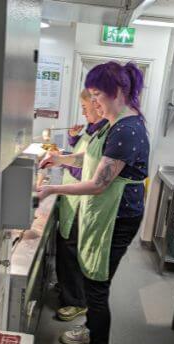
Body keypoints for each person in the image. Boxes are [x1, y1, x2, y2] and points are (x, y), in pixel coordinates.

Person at [36, 61, 150, 344]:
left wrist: (52, 187)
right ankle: (90, 327)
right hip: (106, 214)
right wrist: (60, 160)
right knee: (94, 278)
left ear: (118, 92)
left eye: (98, 94)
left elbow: (99, 183)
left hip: (116, 217)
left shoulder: (128, 129)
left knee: (97, 287)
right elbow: (90, 161)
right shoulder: (113, 124)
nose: (94, 101)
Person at [53, 89, 108, 322]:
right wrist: (74, 142)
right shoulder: (94, 130)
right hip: (73, 201)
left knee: (71, 251)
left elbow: (88, 172)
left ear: (98, 106)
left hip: (83, 203)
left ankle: (76, 301)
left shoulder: (108, 133)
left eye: (86, 109)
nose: (84, 114)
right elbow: (82, 157)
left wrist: (61, 161)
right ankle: (69, 289)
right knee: (67, 249)